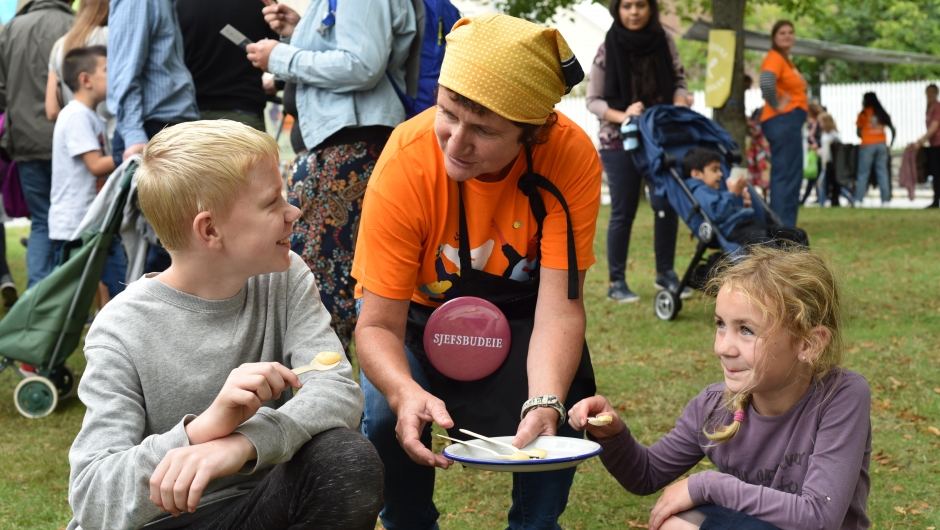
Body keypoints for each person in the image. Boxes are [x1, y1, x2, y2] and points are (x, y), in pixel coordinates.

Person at [67, 120, 383, 530]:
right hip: (162, 522)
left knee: (346, 458)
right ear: (210, 229)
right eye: (272, 203)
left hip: (254, 508)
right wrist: (203, 430)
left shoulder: (285, 278)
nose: (294, 212)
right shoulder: (120, 329)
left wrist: (242, 442)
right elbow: (93, 496)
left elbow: (337, 390)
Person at [352, 14, 601, 529]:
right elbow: (377, 325)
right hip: (417, 320)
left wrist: (545, 399)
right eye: (448, 113)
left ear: (532, 134)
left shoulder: (570, 156)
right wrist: (404, 392)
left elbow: (560, 309)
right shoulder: (406, 159)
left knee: (561, 409)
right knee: (381, 417)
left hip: (523, 314)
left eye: (484, 130)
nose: (455, 143)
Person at [569, 245, 871, 530]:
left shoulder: (841, 396)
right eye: (721, 324)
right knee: (675, 525)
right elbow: (645, 476)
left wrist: (708, 485)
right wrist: (612, 434)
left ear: (808, 343)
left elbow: (819, 517)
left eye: (747, 330)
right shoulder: (714, 407)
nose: (724, 347)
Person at [246, 0, 415, 351]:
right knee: (319, 281)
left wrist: (280, 57)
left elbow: (362, 65)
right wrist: (300, 31)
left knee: (320, 286)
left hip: (346, 152)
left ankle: (325, 388)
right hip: (341, 150)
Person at [587, 0, 691, 303]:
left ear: (651, 9)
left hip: (659, 136)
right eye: (627, 5)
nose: (634, 12)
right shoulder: (608, 47)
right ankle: (615, 282)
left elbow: (680, 81)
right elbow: (593, 100)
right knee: (624, 210)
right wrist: (625, 116)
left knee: (666, 203)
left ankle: (666, 274)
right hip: (619, 140)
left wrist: (680, 100)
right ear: (617, 9)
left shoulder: (664, 40)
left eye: (641, 5)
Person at [109, 0, 200, 273]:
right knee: (159, 252)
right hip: (150, 132)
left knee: (176, 247)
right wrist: (134, 134)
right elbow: (126, 71)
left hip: (162, 127)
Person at [0, 0, 74, 287]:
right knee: (75, 224)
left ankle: (37, 303)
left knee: (42, 222)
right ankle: (67, 304)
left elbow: (1, 92)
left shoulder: (12, 29)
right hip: (72, 143)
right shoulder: (75, 25)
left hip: (27, 143)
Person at [48, 47, 114, 255]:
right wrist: (133, 154)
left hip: (89, 222)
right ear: (86, 80)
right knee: (87, 285)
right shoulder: (77, 116)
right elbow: (96, 165)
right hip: (76, 225)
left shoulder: (89, 116)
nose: (115, 73)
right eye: (106, 69)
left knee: (102, 283)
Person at [176, 0, 278, 132]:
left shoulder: (173, 4)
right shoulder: (264, 2)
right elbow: (284, 52)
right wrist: (277, 84)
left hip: (187, 117)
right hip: (244, 115)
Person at [682, 147, 807, 248]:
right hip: (738, 230)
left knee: (797, 235)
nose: (720, 174)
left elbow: (727, 211)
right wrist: (732, 193)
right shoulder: (699, 191)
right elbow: (718, 214)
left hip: (751, 226)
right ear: (696, 174)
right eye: (715, 170)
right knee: (770, 249)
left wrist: (745, 206)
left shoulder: (712, 190)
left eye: (720, 169)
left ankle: (807, 271)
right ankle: (789, 274)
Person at [759, 20, 807, 227]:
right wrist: (776, 104)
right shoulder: (775, 58)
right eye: (782, 33)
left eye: (790, 32)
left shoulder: (787, 61)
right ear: (774, 38)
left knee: (791, 175)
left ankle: (786, 226)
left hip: (789, 122)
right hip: (782, 121)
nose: (787, 36)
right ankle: (781, 229)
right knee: (785, 175)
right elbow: (766, 81)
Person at [44, 0, 109, 123]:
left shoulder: (59, 45)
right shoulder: (112, 35)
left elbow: (52, 111)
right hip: (116, 134)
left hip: (77, 130)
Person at [854, 92, 895, 206]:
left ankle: (858, 200)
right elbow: (893, 129)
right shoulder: (881, 113)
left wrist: (865, 135)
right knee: (882, 172)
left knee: (863, 173)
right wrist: (891, 142)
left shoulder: (863, 113)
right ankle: (885, 200)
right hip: (882, 144)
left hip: (867, 145)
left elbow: (858, 132)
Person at [910, 84, 940, 208]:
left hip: (938, 145)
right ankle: (936, 200)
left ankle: (936, 200)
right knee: (936, 174)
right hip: (933, 145)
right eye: (928, 92)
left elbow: (934, 127)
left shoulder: (937, 107)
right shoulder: (930, 108)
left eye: (932, 92)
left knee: (937, 173)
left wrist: (921, 141)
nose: (930, 95)